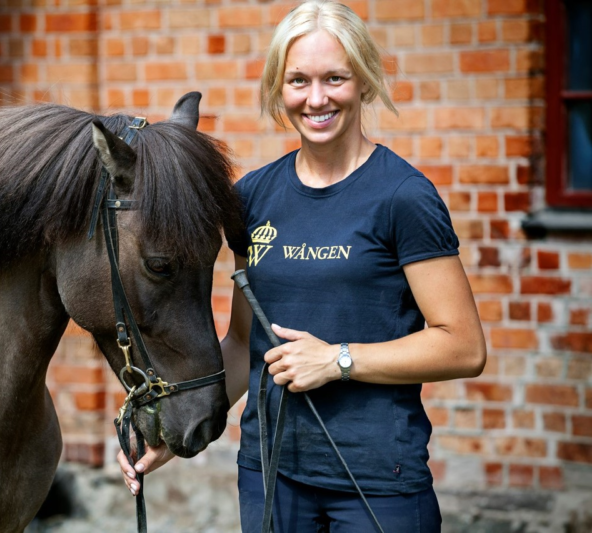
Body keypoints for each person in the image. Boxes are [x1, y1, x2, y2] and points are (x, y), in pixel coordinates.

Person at [118, 1, 487, 531]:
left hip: (378, 481)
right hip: (271, 475)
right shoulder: (250, 199)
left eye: (334, 78)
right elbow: (245, 344)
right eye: (298, 81)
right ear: (278, 89)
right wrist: (171, 435)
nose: (316, 98)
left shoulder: (403, 197)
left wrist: (338, 360)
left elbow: (464, 345)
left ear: (363, 81)